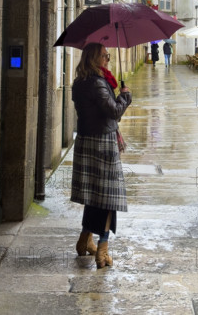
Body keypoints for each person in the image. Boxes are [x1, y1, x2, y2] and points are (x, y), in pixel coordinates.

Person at [70, 42, 132, 268]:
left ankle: (85, 240)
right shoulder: (98, 83)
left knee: (95, 195)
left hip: (86, 141)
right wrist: (125, 96)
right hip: (103, 144)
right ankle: (102, 251)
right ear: (95, 58)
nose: (108, 59)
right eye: (105, 56)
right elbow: (113, 111)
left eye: (108, 56)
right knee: (109, 197)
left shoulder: (79, 82)